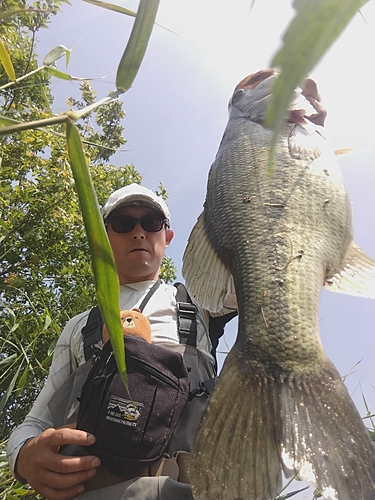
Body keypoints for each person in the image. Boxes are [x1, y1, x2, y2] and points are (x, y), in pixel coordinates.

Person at [7, 183, 237, 500]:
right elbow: (36, 420)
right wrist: (23, 457)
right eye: (123, 223)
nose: (138, 232)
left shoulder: (202, 302)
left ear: (167, 236)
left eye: (152, 222)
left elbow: (262, 265)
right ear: (102, 239)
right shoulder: (78, 327)